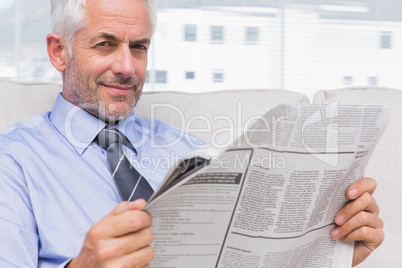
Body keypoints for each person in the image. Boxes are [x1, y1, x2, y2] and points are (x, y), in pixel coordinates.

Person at [0, 0, 383, 267]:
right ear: (58, 52)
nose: (127, 67)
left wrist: (334, 249)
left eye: (139, 47)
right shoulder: (13, 161)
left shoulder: (191, 151)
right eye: (105, 44)